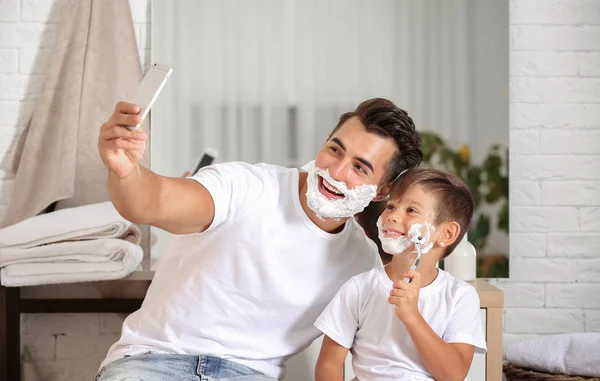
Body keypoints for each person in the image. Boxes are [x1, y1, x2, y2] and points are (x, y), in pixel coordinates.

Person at [95, 98, 422, 380]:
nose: (336, 172)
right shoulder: (247, 187)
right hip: (152, 364)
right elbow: (153, 200)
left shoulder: (361, 261)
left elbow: (386, 352)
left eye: (360, 168)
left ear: (381, 191)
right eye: (335, 150)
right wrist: (127, 172)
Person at [314, 168, 487, 381]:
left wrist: (411, 317)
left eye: (411, 210)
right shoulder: (359, 288)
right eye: (391, 206)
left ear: (446, 234)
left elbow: (453, 375)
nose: (393, 216)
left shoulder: (460, 296)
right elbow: (328, 365)